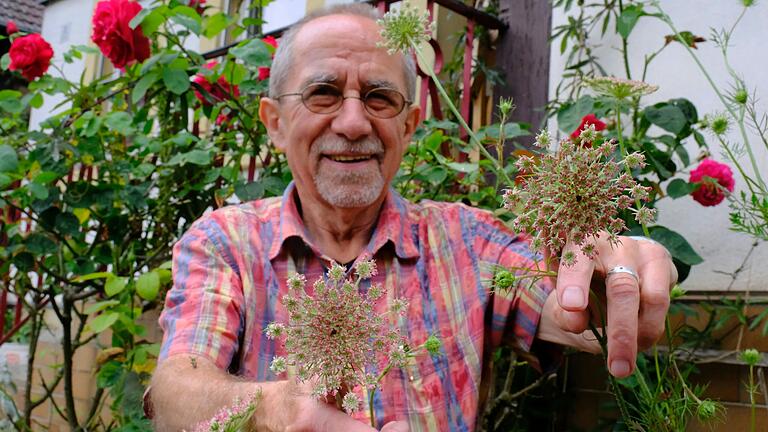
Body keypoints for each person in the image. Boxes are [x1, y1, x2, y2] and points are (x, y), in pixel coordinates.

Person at [150, 4, 676, 431]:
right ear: (275, 123)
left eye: (380, 98)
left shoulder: (469, 241)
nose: (354, 122)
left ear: (409, 125)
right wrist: (275, 409)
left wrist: (613, 275)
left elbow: (573, 310)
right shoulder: (226, 241)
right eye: (323, 93)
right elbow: (176, 391)